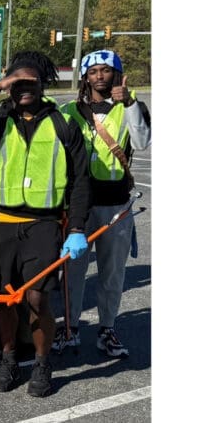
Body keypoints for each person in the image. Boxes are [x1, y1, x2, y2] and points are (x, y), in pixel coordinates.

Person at [0, 51, 90, 398]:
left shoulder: (63, 125)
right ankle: (9, 357)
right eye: (16, 83)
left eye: (30, 81)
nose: (23, 88)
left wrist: (76, 227)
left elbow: (79, 181)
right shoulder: (0, 123)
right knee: (3, 298)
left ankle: (43, 362)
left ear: (43, 84)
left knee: (36, 299)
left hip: (43, 226)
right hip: (2, 225)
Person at [52, 50, 151, 358]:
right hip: (79, 205)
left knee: (112, 271)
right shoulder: (69, 110)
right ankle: (69, 328)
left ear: (117, 74)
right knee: (73, 270)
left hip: (116, 204)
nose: (99, 76)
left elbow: (142, 142)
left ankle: (107, 329)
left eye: (106, 70)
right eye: (93, 71)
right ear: (85, 76)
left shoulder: (131, 106)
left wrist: (131, 104)